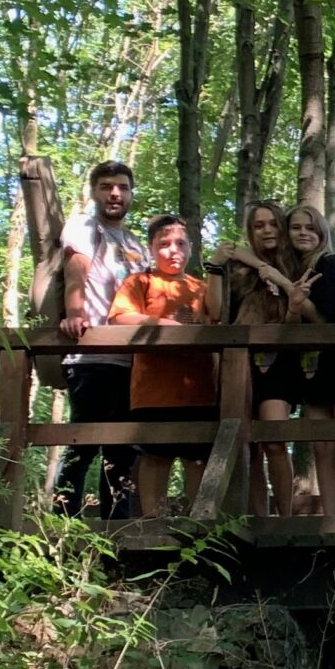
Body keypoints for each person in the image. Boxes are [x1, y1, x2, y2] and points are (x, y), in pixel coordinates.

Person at [107, 215, 217, 519]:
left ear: (191, 248)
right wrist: (167, 325)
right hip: (153, 390)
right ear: (152, 248)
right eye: (164, 244)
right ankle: (152, 523)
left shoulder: (202, 288)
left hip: (200, 390)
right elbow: (120, 317)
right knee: (155, 457)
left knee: (197, 459)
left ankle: (198, 525)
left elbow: (218, 322)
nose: (173, 250)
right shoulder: (140, 282)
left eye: (180, 243)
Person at [212, 199, 317, 517]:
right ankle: (257, 518)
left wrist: (287, 293)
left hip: (280, 362)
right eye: (259, 225)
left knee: (274, 438)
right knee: (250, 448)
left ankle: (284, 518)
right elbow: (216, 312)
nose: (267, 230)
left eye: (273, 224)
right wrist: (216, 266)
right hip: (239, 364)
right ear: (250, 230)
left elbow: (299, 321)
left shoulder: (296, 265)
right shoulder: (237, 268)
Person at [54, 160, 146, 518]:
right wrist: (74, 312)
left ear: (131, 194)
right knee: (82, 444)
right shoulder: (84, 227)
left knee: (123, 450)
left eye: (122, 187)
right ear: (94, 192)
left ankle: (116, 530)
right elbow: (76, 268)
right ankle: (62, 525)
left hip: (132, 361)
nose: (115, 194)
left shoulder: (135, 243)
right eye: (107, 187)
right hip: (92, 355)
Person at [278, 203, 335, 514]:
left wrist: (294, 296)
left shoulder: (330, 265)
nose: (303, 233)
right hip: (312, 365)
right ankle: (331, 520)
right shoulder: (293, 269)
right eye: (296, 228)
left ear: (321, 233)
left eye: (310, 228)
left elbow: (330, 318)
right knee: (321, 446)